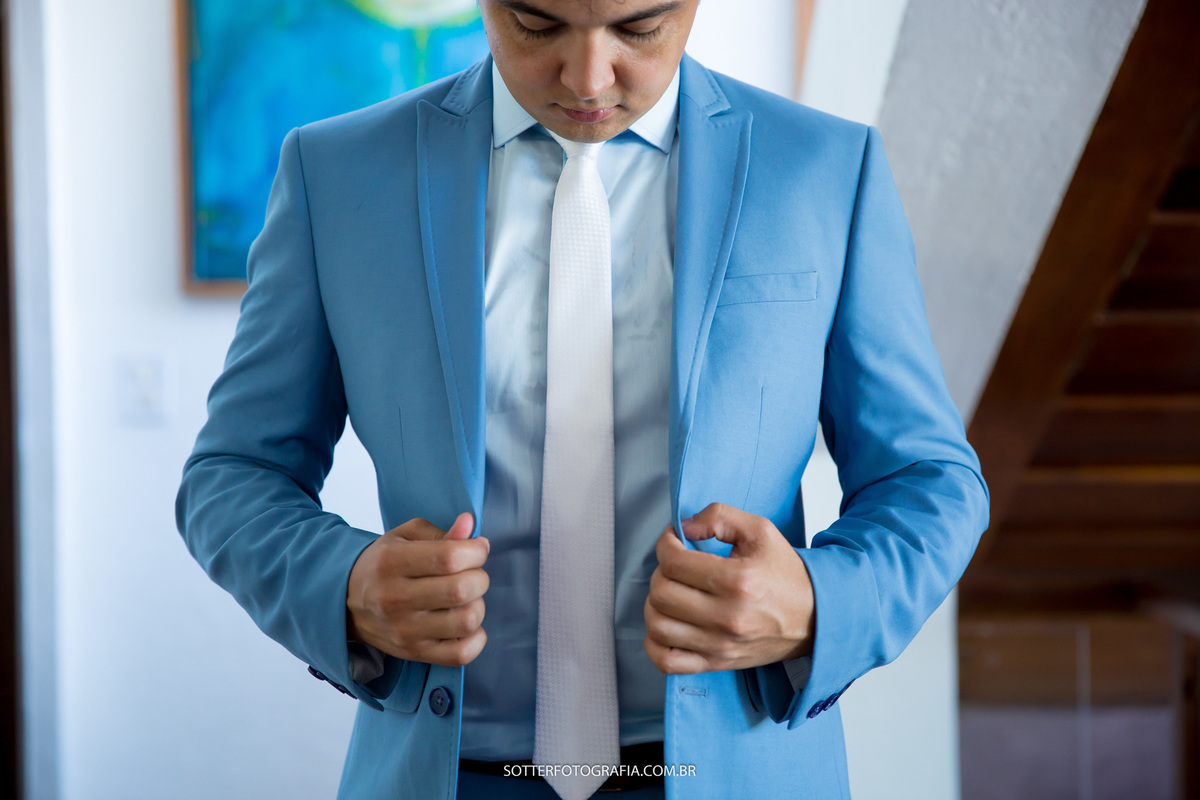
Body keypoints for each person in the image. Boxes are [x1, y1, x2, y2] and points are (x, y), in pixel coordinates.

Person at [175, 1, 991, 798]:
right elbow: (232, 474)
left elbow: (931, 481)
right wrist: (344, 584)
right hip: (445, 774)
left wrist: (819, 603)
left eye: (639, 27)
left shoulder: (824, 170)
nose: (588, 75)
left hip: (736, 770)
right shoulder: (337, 174)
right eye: (537, 24)